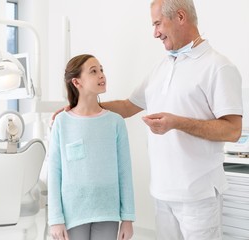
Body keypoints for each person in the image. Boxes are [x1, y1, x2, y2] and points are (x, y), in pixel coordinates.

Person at [53, 0, 243, 239]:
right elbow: (128, 106)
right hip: (162, 194)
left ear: (180, 17)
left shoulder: (218, 67)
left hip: (199, 196)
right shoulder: (161, 67)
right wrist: (77, 108)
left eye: (157, 24)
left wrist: (177, 122)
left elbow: (232, 130)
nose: (155, 33)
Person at [47, 54, 136, 240]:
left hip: (107, 212)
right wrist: (55, 219)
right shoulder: (62, 123)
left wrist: (127, 218)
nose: (101, 75)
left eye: (101, 70)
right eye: (93, 71)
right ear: (76, 82)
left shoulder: (115, 122)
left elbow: (124, 172)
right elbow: (55, 172)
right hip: (73, 214)